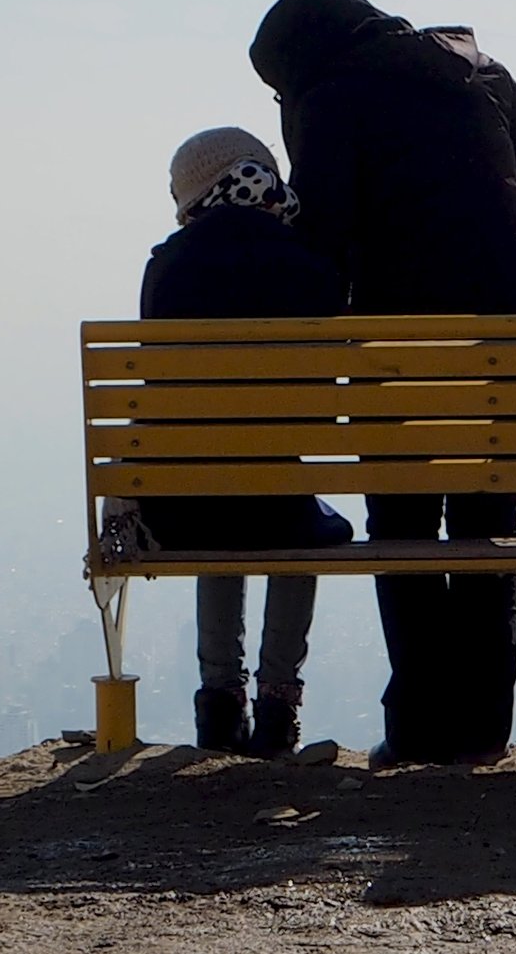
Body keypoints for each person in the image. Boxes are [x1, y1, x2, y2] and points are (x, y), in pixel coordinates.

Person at [249, 0, 516, 767]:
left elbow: (324, 230)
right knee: (488, 521)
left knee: (405, 522)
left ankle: (420, 725)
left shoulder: (330, 97)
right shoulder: (477, 67)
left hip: (401, 335)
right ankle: (484, 727)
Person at [136, 126, 354, 758]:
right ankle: (279, 704)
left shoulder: (166, 266)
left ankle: (218, 702)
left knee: (218, 504)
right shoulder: (311, 262)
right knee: (293, 515)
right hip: (279, 502)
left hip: (187, 506)